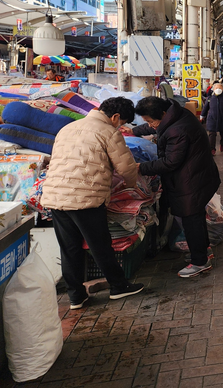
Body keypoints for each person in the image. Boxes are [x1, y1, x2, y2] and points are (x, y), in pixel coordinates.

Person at [42, 97, 144, 309]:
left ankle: (76, 297)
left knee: (69, 248)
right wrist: (132, 185)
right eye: (122, 122)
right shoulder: (108, 132)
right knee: (100, 245)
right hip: (86, 199)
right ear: (115, 117)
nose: (121, 126)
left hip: (56, 197)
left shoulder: (68, 128)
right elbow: (126, 168)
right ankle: (118, 286)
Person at [134, 97, 221, 277]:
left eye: (151, 121)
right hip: (197, 176)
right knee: (195, 217)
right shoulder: (178, 115)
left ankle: (200, 262)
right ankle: (203, 252)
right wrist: (133, 131)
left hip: (190, 181)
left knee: (191, 220)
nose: (150, 125)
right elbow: (156, 126)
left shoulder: (177, 130)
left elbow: (170, 162)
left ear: (163, 114)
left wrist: (141, 167)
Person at [201, 81, 223, 155]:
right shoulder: (209, 98)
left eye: (219, 88)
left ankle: (222, 144)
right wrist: (202, 115)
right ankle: (212, 149)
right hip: (212, 119)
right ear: (213, 89)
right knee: (212, 134)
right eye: (216, 88)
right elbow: (205, 108)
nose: (218, 89)